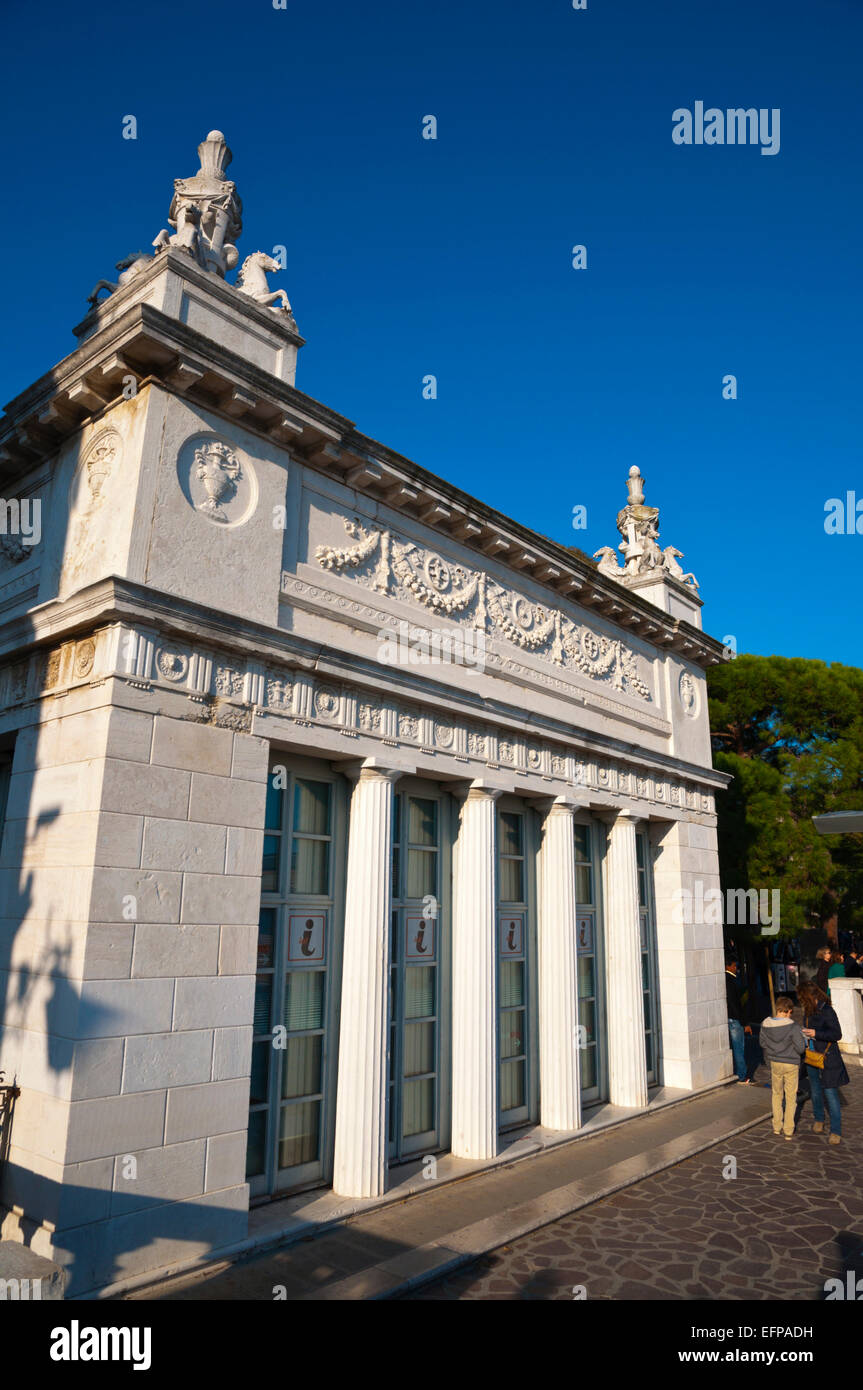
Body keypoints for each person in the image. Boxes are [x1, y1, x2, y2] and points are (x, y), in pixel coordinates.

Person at [798, 981, 850, 1145]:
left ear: (808, 996)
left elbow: (837, 1034)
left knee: (830, 1093)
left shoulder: (827, 1010)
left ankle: (836, 1130)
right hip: (812, 1055)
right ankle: (819, 1119)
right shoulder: (808, 1011)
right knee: (815, 1090)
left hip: (827, 1057)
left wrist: (815, 1033)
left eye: (801, 997)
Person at [759, 995, 806, 1139]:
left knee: (776, 1094)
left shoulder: (765, 1024)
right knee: (791, 1097)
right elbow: (800, 1048)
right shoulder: (793, 1026)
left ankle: (776, 1126)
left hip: (775, 1063)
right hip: (791, 1063)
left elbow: (762, 1043)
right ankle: (788, 1130)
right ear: (789, 1011)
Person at [725, 953, 750, 1083]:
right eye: (734, 966)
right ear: (728, 966)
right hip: (735, 1018)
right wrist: (744, 1022)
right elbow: (736, 1003)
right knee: (739, 1047)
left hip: (730, 1017)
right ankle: (742, 1074)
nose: (736, 968)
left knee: (735, 1047)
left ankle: (740, 1073)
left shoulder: (727, 979)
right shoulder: (732, 980)